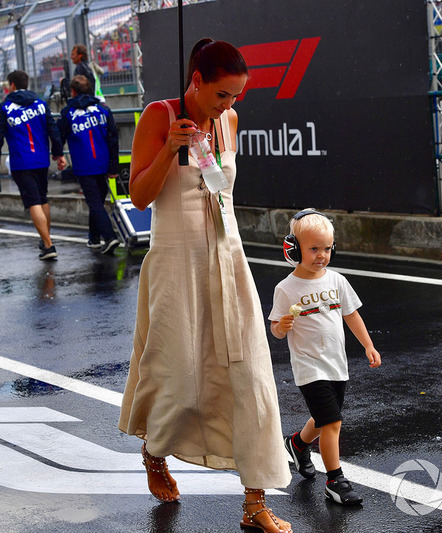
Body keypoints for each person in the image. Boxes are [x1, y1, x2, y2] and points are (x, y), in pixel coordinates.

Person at [118, 39, 292, 533]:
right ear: (196, 80)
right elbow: (138, 198)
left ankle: (255, 502)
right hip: (175, 261)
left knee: (251, 378)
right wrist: (171, 146)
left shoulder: (230, 122)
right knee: (177, 375)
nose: (229, 105)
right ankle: (155, 451)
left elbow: (223, 191)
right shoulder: (159, 114)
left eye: (236, 96)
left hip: (227, 258)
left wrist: (221, 118)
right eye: (221, 95)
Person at [269, 209, 382, 506]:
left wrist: (368, 345)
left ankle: (297, 444)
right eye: (313, 249)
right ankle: (335, 481)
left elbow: (351, 314)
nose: (322, 255)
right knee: (332, 422)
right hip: (309, 367)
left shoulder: (337, 280)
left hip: (336, 363)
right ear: (293, 249)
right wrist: (282, 326)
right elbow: (276, 331)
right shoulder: (286, 288)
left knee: (323, 419)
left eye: (327, 248)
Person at [0, 70, 65, 260]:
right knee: (42, 199)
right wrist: (58, 154)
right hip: (41, 159)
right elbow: (53, 129)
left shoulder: (5, 107)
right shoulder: (41, 104)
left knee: (33, 202)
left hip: (21, 161)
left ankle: (48, 245)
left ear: (12, 86)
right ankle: (46, 238)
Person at [57, 74, 120, 254]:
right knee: (98, 200)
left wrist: (58, 154)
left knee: (95, 202)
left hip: (84, 166)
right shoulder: (104, 110)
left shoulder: (67, 113)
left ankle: (109, 237)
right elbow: (113, 138)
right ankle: (94, 238)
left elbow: (59, 136)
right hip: (103, 162)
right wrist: (114, 165)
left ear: (73, 91)